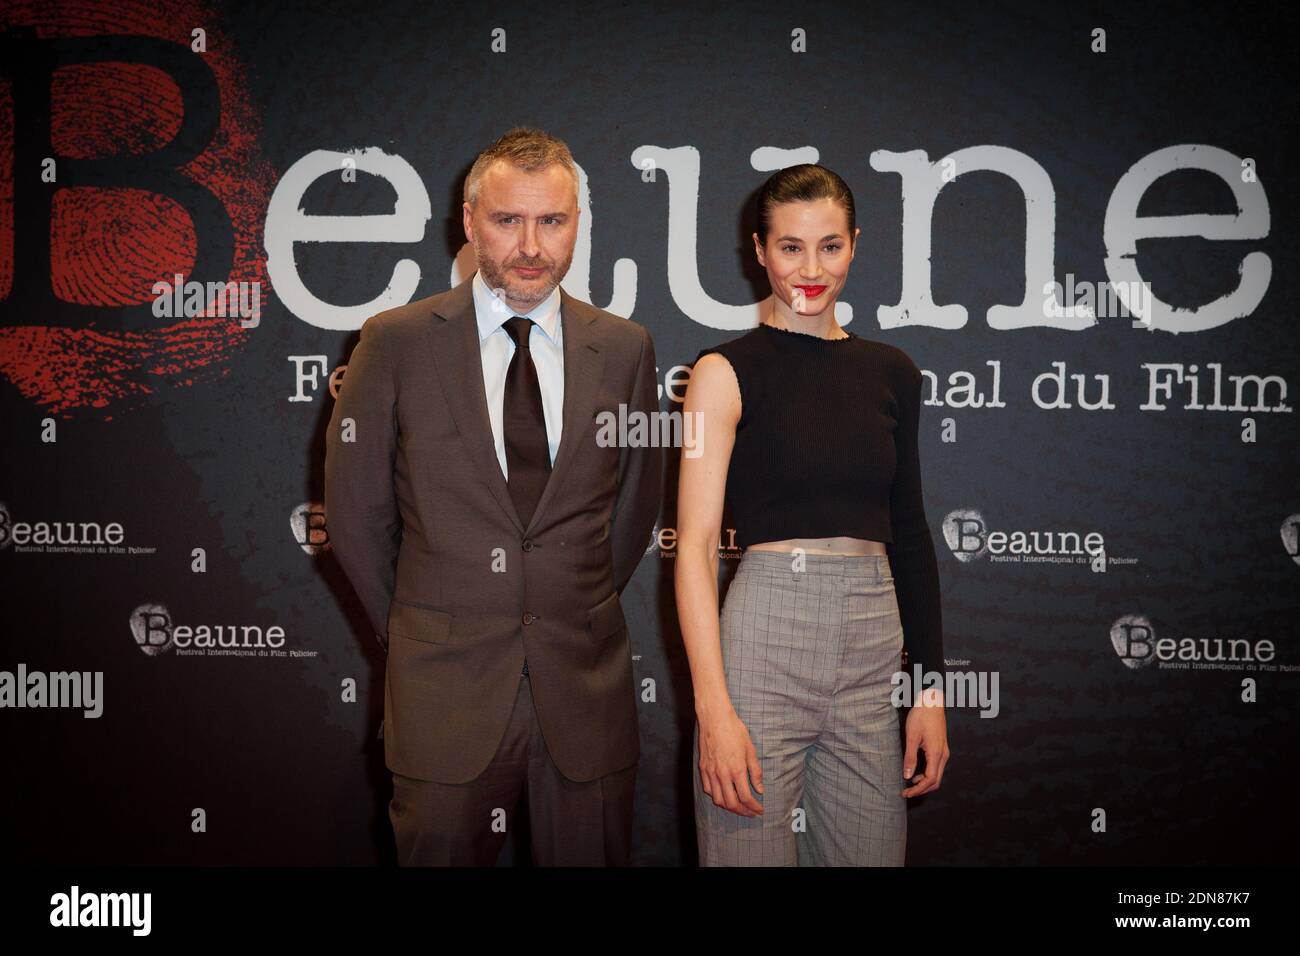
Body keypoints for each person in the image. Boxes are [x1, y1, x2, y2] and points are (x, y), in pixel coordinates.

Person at [324, 127, 662, 865]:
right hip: (443, 698)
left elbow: (634, 511)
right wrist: (427, 627)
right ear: (470, 221)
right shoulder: (395, 342)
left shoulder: (627, 348)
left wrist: (566, 599)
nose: (531, 246)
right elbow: (354, 519)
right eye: (509, 221)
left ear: (578, 223)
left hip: (587, 699)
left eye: (553, 221)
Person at [676, 163, 949, 866]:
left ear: (854, 245)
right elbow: (697, 545)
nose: (811, 268)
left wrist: (928, 691)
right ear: (760, 251)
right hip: (763, 642)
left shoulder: (892, 371)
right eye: (791, 247)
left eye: (829, 245)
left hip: (871, 642)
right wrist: (713, 710)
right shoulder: (722, 371)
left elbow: (912, 536)